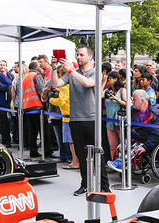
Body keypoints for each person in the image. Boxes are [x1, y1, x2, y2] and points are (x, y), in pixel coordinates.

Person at [52, 46, 110, 195]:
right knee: (80, 154)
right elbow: (55, 84)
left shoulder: (96, 72)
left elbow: (88, 83)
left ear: (90, 57)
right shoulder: (72, 74)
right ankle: (85, 184)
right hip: (75, 119)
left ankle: (104, 186)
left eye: (81, 55)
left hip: (91, 119)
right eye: (77, 55)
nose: (78, 57)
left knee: (98, 154)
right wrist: (53, 68)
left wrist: (70, 71)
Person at [107, 89, 159, 173]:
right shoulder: (132, 110)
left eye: (134, 99)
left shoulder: (156, 113)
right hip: (136, 136)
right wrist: (123, 141)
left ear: (142, 101)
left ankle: (122, 164)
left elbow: (157, 133)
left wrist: (146, 147)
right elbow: (127, 127)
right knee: (123, 145)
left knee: (135, 148)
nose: (132, 101)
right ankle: (119, 162)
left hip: (147, 139)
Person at [20, 61, 46, 158]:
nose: (40, 68)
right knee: (43, 130)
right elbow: (41, 91)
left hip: (27, 106)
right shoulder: (36, 76)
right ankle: (46, 151)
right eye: (39, 66)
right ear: (35, 67)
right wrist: (45, 104)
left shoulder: (25, 77)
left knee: (33, 131)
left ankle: (33, 151)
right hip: (37, 105)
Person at [103, 70, 126, 161]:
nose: (108, 80)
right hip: (110, 122)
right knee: (112, 145)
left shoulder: (122, 90)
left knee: (123, 144)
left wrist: (115, 98)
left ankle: (123, 162)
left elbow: (126, 103)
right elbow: (99, 95)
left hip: (120, 120)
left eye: (109, 78)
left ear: (115, 79)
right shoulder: (107, 91)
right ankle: (113, 162)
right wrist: (104, 82)